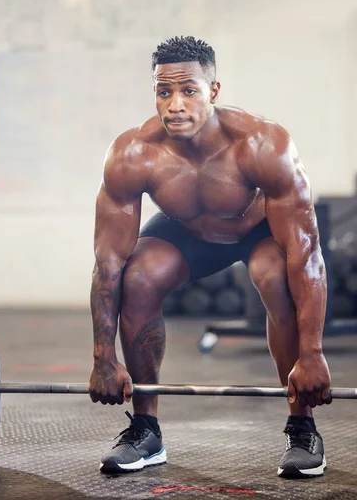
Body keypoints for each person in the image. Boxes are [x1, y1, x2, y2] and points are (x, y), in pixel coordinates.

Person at [89, 36, 332, 478]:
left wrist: (313, 353)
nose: (175, 105)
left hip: (254, 229)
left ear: (213, 91)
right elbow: (108, 263)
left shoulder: (262, 145)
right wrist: (103, 359)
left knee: (276, 277)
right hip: (185, 231)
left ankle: (302, 427)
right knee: (137, 278)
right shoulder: (132, 154)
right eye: (164, 92)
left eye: (188, 90)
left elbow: (305, 253)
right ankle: (145, 429)